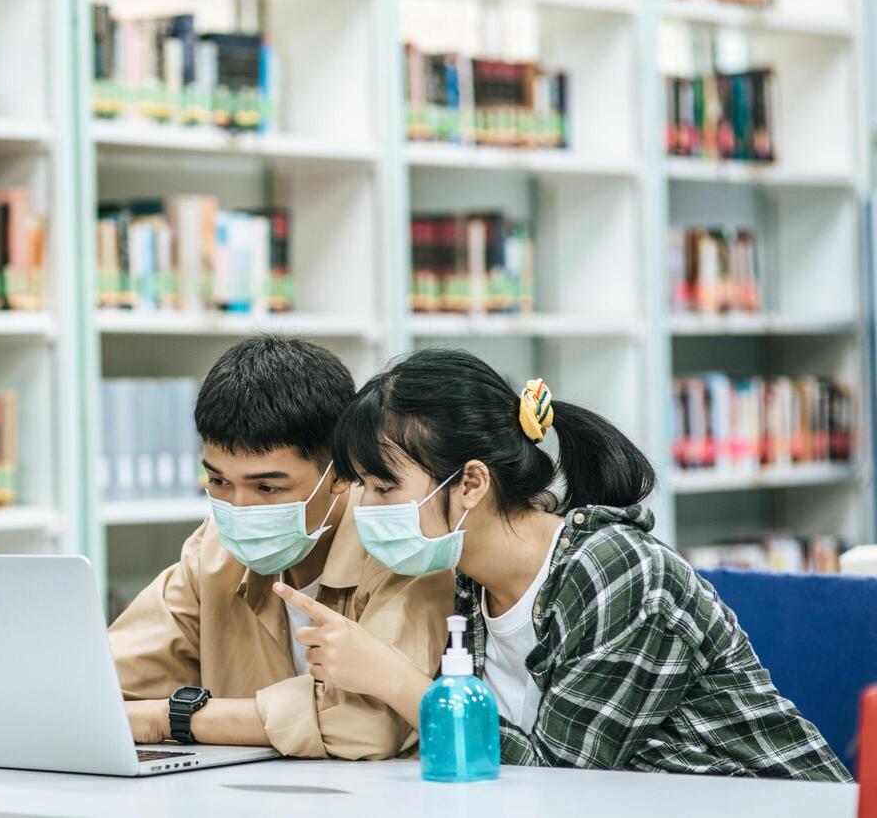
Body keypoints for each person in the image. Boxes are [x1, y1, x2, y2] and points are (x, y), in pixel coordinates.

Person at [276, 348, 849, 781]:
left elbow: (558, 776)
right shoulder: (465, 582)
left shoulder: (618, 573)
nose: (365, 508)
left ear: (471, 483)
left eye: (383, 487)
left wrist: (397, 682)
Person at [108, 335, 452, 760]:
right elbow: (103, 683)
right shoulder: (215, 548)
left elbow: (365, 726)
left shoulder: (402, 548)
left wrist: (170, 717)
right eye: (218, 481)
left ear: (342, 473)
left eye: (267, 487)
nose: (238, 508)